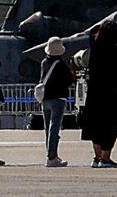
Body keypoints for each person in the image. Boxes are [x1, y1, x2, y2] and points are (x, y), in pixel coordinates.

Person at [84, 19, 117, 168]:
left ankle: (97, 157)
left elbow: (91, 31)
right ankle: (105, 158)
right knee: (110, 125)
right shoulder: (116, 52)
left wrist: (100, 29)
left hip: (94, 92)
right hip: (110, 93)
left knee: (96, 125)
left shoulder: (94, 48)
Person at [38, 36, 74, 168]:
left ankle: (51, 154)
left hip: (45, 98)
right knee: (55, 127)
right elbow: (69, 82)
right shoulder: (62, 65)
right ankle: (52, 157)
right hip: (58, 99)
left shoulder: (43, 63)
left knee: (48, 128)